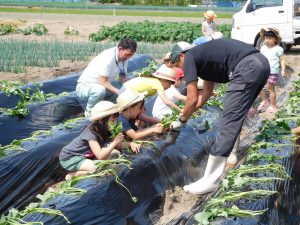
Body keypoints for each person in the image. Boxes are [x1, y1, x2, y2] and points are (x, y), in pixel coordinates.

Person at [169, 39, 270, 194]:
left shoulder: (189, 57)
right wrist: (187, 114)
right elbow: (206, 94)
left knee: (228, 122)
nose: (179, 69)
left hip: (247, 67)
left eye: (177, 65)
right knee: (235, 117)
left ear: (181, 56)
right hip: (260, 64)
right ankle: (220, 167)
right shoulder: (204, 58)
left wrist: (181, 120)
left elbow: (192, 98)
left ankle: (211, 181)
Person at [59, 101, 140, 180]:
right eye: (112, 121)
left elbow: (118, 145)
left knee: (116, 153)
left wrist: (130, 144)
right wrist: (114, 142)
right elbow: (100, 156)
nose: (115, 123)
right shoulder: (91, 134)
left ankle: (88, 164)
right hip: (71, 158)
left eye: (116, 120)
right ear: (101, 120)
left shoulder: (106, 129)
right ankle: (72, 175)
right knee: (97, 169)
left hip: (87, 154)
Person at [76, 38, 137, 117]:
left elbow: (122, 76)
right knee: (100, 90)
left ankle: (111, 110)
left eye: (131, 55)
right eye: (127, 54)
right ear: (120, 49)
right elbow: (103, 82)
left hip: (102, 86)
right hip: (85, 87)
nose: (129, 57)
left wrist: (127, 89)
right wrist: (119, 92)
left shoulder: (124, 58)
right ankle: (89, 113)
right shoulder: (108, 57)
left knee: (122, 87)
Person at [257, 28, 286, 113]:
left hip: (273, 71)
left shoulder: (278, 49)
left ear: (275, 39)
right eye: (266, 38)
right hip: (263, 70)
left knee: (270, 88)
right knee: (258, 86)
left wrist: (283, 70)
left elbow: (282, 60)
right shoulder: (262, 48)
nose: (268, 40)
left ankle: (273, 106)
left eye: (270, 38)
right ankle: (264, 100)